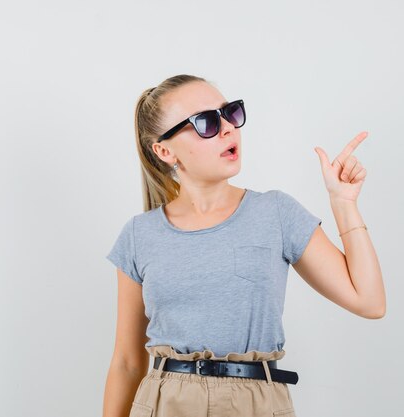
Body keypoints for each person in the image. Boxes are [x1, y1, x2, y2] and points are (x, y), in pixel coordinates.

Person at [102, 74, 386, 417]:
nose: (227, 128)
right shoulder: (139, 235)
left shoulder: (277, 213)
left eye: (230, 113)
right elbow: (128, 363)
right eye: (206, 122)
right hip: (166, 404)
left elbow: (369, 302)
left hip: (257, 403)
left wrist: (343, 202)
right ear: (164, 150)